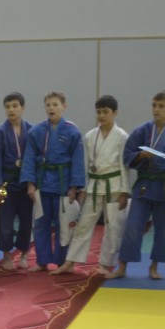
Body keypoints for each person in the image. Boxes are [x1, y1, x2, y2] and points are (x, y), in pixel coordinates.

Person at [108, 90, 165, 280]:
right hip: (144, 185)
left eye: (161, 106)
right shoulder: (142, 131)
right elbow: (127, 155)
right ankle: (122, 266)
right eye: (154, 105)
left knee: (162, 229)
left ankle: (154, 266)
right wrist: (139, 156)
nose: (156, 109)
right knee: (133, 225)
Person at [53, 95, 130, 276]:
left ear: (115, 113)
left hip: (114, 186)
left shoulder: (122, 136)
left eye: (105, 112)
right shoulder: (90, 136)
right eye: (99, 112)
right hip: (94, 185)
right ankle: (70, 262)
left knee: (113, 227)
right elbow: (85, 164)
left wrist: (125, 192)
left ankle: (105, 264)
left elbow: (124, 166)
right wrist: (82, 188)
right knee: (83, 224)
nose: (101, 116)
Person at [21, 91, 85, 272]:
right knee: (41, 223)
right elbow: (29, 158)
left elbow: (78, 161)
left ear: (64, 106)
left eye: (55, 104)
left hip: (63, 184)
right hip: (42, 183)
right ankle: (42, 261)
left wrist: (74, 187)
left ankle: (61, 261)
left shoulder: (72, 131)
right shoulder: (36, 131)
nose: (51, 108)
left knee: (63, 224)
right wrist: (30, 184)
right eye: (48, 105)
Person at [0, 92, 33, 270]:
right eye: (8, 107)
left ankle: (24, 254)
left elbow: (34, 159)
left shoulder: (32, 130)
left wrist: (32, 183)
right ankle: (7, 255)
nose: (11, 110)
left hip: (25, 183)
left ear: (22, 107)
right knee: (5, 224)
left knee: (26, 222)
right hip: (7, 184)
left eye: (15, 106)